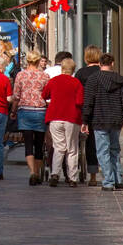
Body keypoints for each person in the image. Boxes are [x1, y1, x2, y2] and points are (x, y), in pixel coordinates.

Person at [82, 53, 123, 191]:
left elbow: (88, 101)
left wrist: (85, 120)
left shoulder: (93, 79)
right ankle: (118, 179)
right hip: (116, 118)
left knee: (102, 151)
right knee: (115, 149)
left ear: (99, 64)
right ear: (112, 63)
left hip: (99, 118)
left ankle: (108, 181)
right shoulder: (120, 79)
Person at [42, 57, 84, 185]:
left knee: (58, 147)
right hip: (71, 117)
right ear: (73, 70)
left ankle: (55, 174)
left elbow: (44, 95)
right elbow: (80, 101)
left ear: (62, 68)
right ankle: (72, 178)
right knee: (72, 149)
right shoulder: (76, 83)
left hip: (55, 117)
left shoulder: (54, 80)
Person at [11, 48, 49, 185]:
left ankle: (32, 172)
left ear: (27, 61)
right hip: (40, 111)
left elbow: (16, 96)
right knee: (39, 144)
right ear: (38, 61)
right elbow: (48, 95)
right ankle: (37, 173)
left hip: (25, 111)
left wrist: (13, 111)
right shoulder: (44, 76)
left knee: (28, 144)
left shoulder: (21, 75)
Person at [75, 46, 102, 186]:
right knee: (104, 143)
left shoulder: (81, 73)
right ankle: (110, 174)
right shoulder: (103, 72)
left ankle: (92, 176)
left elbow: (77, 94)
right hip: (103, 111)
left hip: (87, 111)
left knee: (90, 143)